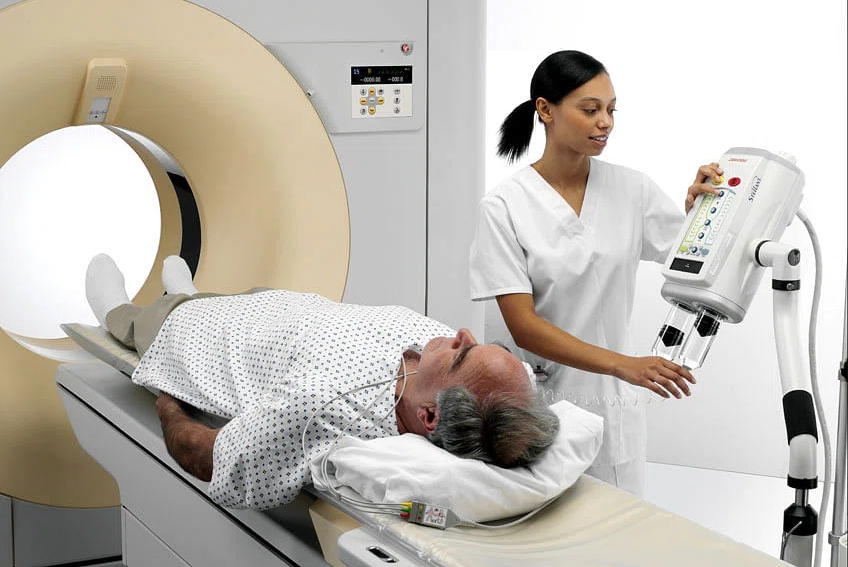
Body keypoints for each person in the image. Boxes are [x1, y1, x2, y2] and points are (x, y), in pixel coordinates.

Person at [85, 253, 561, 510]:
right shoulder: (442, 365)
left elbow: (211, 458)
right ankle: (186, 290)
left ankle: (123, 305)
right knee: (216, 297)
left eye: (463, 354)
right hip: (280, 307)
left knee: (152, 318)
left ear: (430, 415)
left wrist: (169, 404)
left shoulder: (322, 407)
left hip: (210, 335)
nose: (461, 334)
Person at [469, 50, 723, 497]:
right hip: (545, 405)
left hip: (618, 407)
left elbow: (689, 257)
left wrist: (701, 210)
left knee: (624, 522)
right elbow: (524, 326)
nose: (605, 122)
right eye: (590, 110)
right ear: (545, 109)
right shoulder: (505, 206)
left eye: (611, 110)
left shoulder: (633, 189)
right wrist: (624, 364)